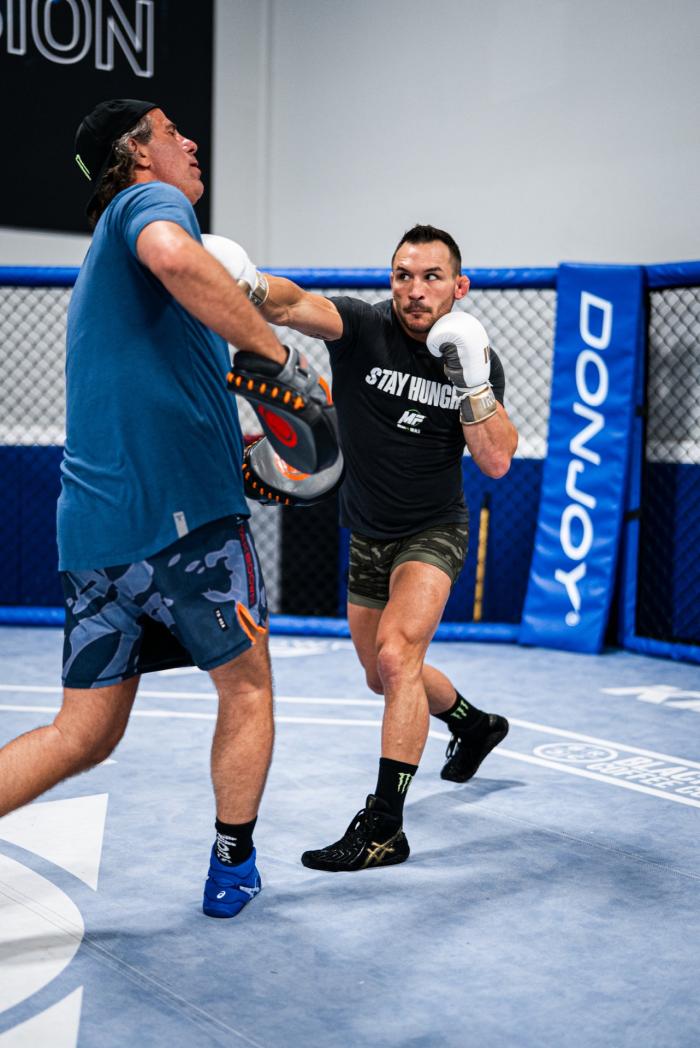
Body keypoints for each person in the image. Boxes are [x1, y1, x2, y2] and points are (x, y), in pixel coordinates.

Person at [0, 98, 324, 918]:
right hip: (186, 528)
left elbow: (179, 359)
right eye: (171, 131)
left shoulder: (119, 278)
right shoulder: (148, 208)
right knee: (247, 689)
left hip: (95, 534)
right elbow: (178, 256)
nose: (189, 141)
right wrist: (277, 354)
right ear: (134, 155)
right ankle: (232, 864)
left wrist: (244, 456)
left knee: (82, 735)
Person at [219, 224, 518, 871]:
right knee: (379, 674)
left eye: (432, 277)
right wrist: (240, 279)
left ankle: (384, 825)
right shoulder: (363, 328)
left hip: (434, 530)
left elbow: (496, 460)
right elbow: (295, 306)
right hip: (368, 533)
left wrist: (470, 379)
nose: (415, 291)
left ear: (458, 287)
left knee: (397, 652)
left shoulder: (476, 358)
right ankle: (471, 723)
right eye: (403, 275)